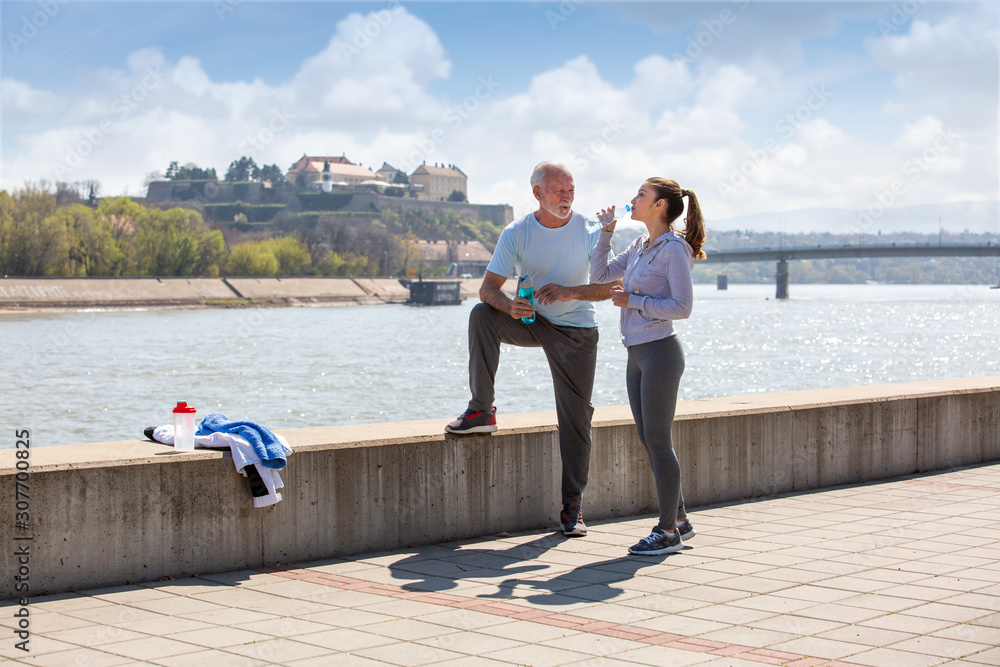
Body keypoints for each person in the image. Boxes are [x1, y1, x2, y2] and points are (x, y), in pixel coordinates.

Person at [445, 161, 615, 537]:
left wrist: (569, 292)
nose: (567, 197)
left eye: (571, 189)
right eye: (558, 190)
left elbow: (610, 286)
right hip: (532, 321)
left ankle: (573, 507)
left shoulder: (590, 230)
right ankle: (481, 410)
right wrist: (510, 306)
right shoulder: (517, 232)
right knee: (481, 315)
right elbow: (488, 288)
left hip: (576, 330)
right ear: (537, 193)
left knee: (575, 417)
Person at [589, 177, 706, 555]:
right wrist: (606, 233)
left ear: (659, 205)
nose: (633, 199)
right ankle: (681, 520)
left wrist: (635, 301)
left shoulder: (673, 249)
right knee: (649, 439)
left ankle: (667, 531)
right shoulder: (640, 245)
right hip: (636, 353)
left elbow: (682, 307)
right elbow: (601, 276)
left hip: (660, 353)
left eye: (641, 194)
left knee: (658, 441)